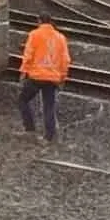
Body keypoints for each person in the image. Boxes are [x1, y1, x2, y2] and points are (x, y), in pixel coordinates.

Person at [18, 13, 71, 143]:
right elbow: (65, 60)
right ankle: (49, 137)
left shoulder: (35, 34)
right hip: (53, 78)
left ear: (39, 21)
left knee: (23, 100)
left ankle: (29, 128)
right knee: (49, 107)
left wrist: (23, 71)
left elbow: (28, 55)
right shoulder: (61, 37)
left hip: (36, 76)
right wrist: (62, 77)